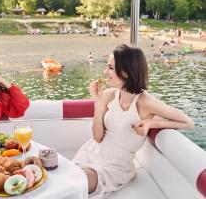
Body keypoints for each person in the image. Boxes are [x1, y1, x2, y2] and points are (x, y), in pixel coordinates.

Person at [73, 44, 194, 198]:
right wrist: (98, 101)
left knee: (75, 183)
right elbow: (97, 137)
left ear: (125, 72)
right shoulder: (109, 95)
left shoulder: (146, 102)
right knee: (62, 179)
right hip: (91, 152)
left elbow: (188, 122)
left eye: (110, 67)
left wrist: (151, 123)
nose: (105, 72)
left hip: (115, 167)